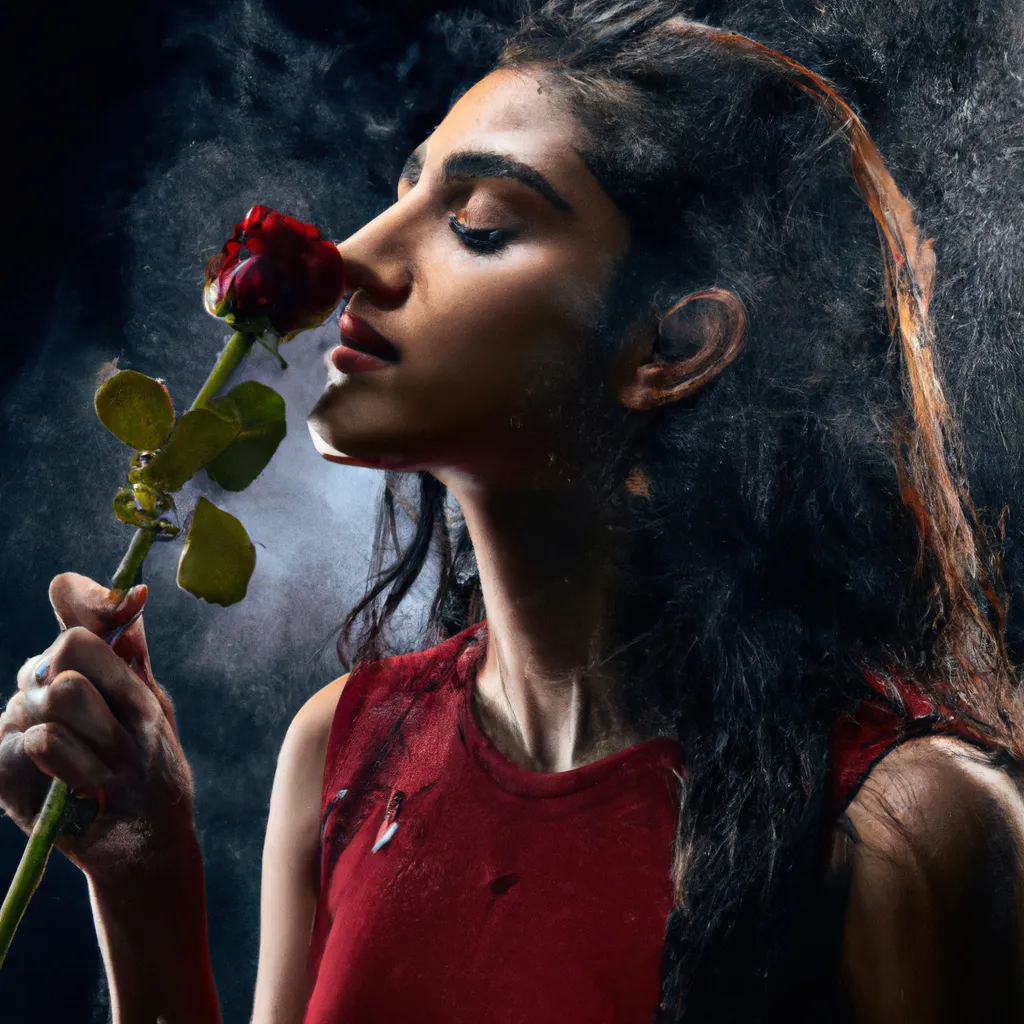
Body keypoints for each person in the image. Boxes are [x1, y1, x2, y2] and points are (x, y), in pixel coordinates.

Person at [2, 1, 1023, 1021]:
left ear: (671, 346)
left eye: (478, 226)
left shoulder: (909, 827)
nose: (352, 256)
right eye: (400, 193)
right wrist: (142, 876)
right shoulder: (345, 746)